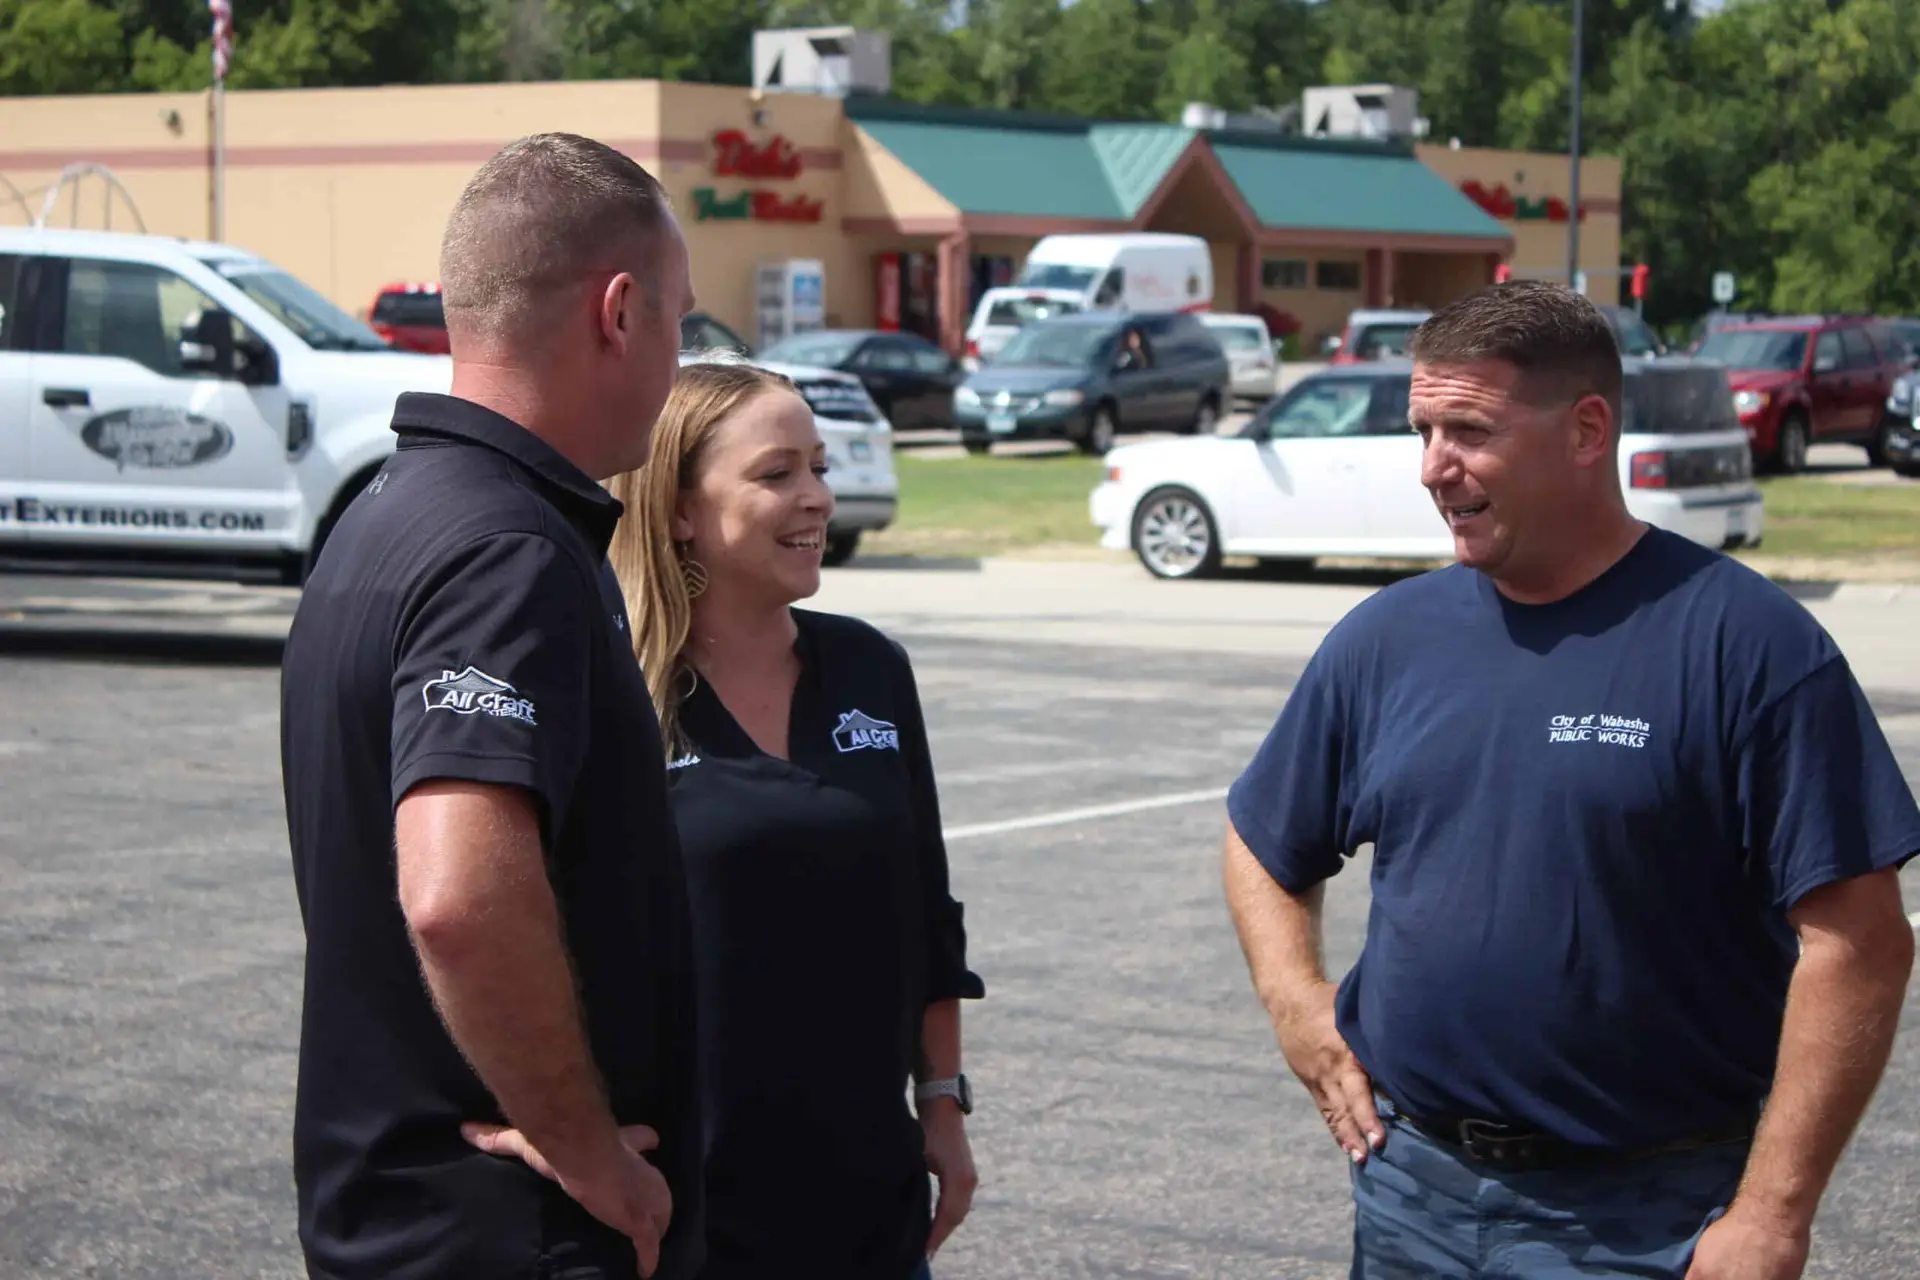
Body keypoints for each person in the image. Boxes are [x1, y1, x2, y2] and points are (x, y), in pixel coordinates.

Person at [1221, 280, 1917, 1280]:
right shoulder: (1389, 637)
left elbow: (1859, 943)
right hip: (1408, 1184)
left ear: (1587, 429)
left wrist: (1770, 1213)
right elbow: (1261, 837)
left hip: (1643, 1215)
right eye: (1423, 429)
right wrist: (1296, 1002)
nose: (1433, 467)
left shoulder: (1745, 644)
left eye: (1468, 428)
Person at [279, 132, 705, 1279]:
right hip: (508, 1231)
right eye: (679, 320)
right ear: (618, 311)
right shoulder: (506, 555)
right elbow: (458, 895)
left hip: (410, 1219)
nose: (680, 361)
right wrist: (588, 1152)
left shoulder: (388, 513)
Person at [466, 357, 986, 1279]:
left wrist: (940, 1105)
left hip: (870, 1207)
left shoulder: (871, 669)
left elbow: (927, 911)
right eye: (776, 473)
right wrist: (548, 1124)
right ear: (676, 509)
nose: (817, 497)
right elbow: (506, 923)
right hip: (681, 1217)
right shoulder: (610, 690)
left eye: (820, 468)